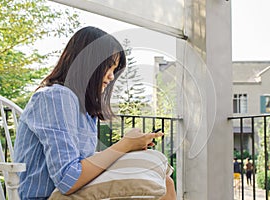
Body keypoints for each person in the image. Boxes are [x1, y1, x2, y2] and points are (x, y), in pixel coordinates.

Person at [14, 26, 176, 200]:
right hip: (46, 196)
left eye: (115, 70)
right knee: (160, 184)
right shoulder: (56, 97)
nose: (112, 76)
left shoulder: (84, 108)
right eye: (108, 67)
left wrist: (130, 148)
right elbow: (68, 179)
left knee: (164, 181)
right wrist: (125, 145)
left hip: (70, 192)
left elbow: (82, 164)